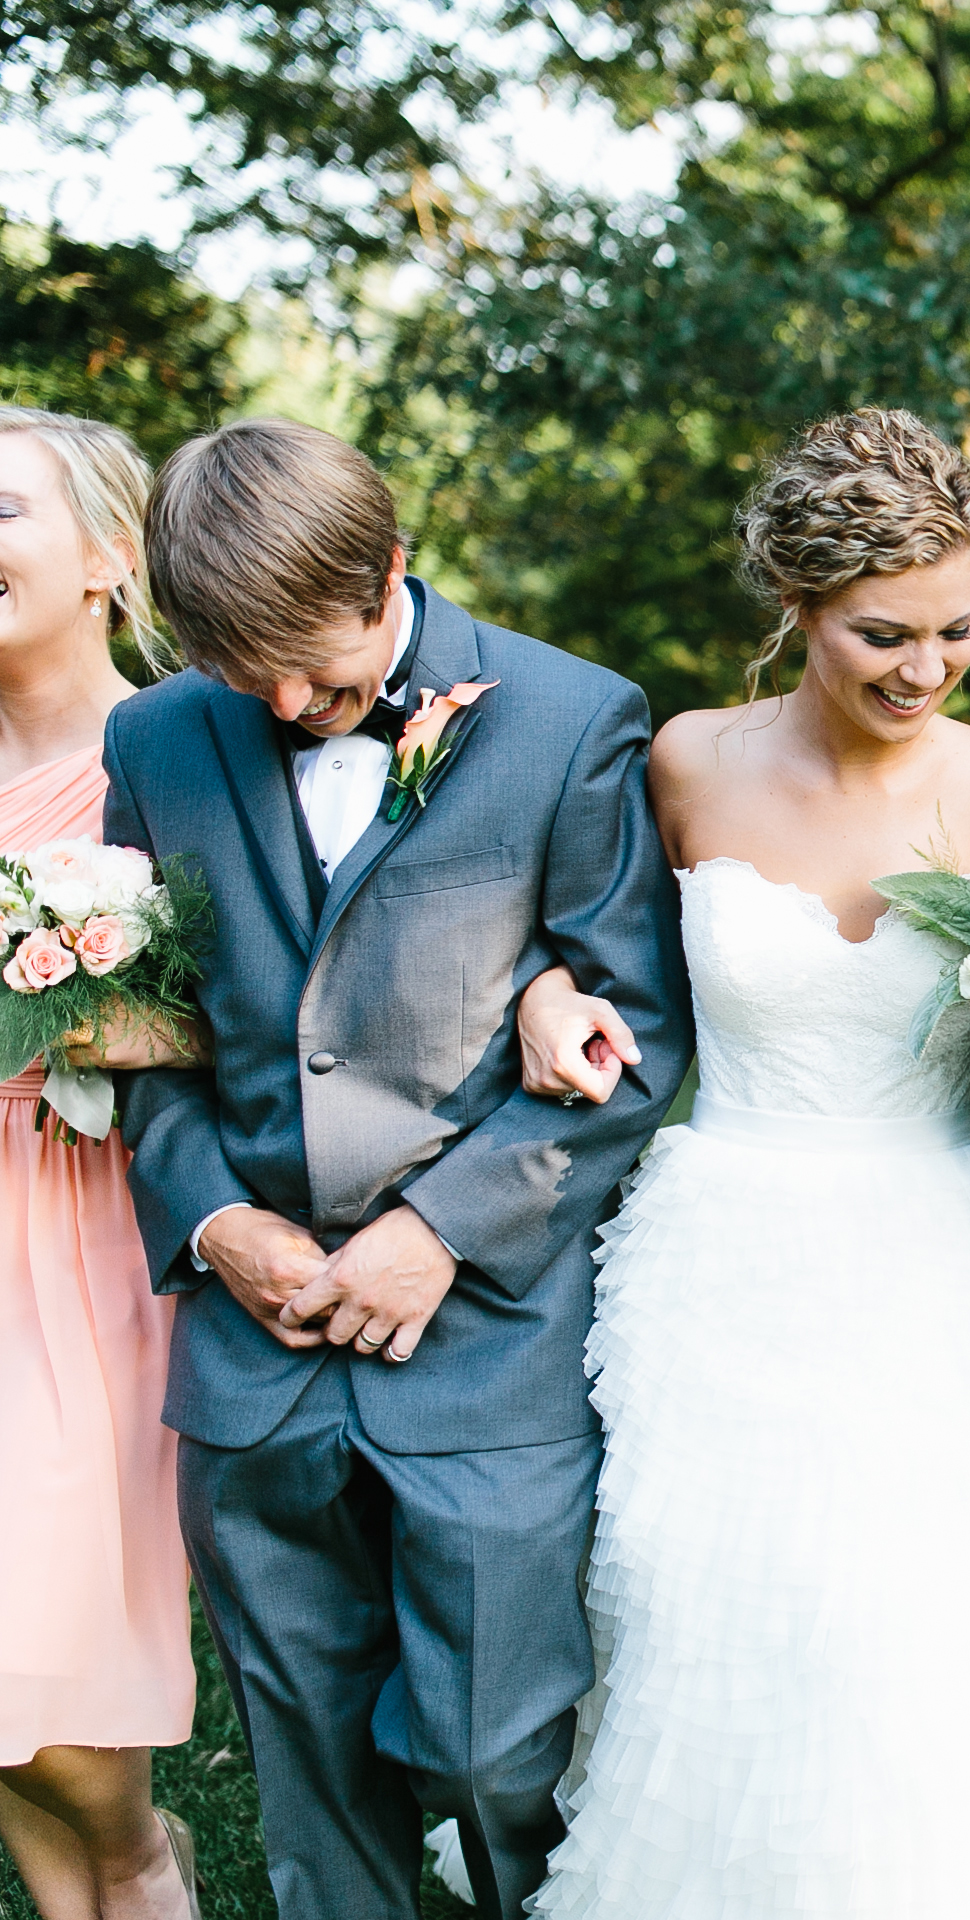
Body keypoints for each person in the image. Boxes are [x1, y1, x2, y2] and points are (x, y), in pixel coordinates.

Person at [508, 408, 970, 1917]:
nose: (925, 668)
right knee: (709, 1577)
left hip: (936, 1248)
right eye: (884, 633)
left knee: (924, 1591)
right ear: (797, 606)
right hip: (725, 1241)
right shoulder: (687, 762)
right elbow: (601, 958)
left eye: (956, 632)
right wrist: (557, 997)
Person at [104, 419, 692, 1920]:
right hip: (251, 1346)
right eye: (251, 678)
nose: (293, 706)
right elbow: (141, 1032)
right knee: (306, 1762)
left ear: (392, 568)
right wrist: (214, 1217)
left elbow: (643, 1038)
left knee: (499, 1755)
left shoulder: (571, 721)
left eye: (318, 660)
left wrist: (440, 1229)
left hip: (483, 1341)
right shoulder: (154, 742)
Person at [0, 409, 202, 1920]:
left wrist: (110, 1019)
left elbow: (293, 1016)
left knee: (61, 1703)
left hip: (73, 1249)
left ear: (104, 562)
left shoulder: (185, 752)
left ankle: (143, 1869)